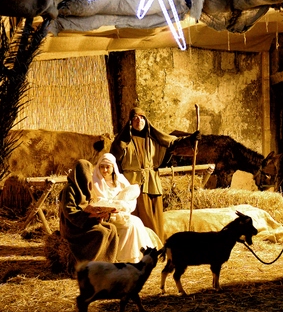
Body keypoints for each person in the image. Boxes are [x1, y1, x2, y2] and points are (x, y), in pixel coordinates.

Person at [110, 107, 200, 242]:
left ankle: (154, 246)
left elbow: (174, 144)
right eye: (135, 118)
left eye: (142, 118)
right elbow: (112, 162)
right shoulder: (121, 143)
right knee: (134, 219)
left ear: (146, 121)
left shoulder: (155, 140)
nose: (138, 121)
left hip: (151, 184)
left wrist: (191, 139)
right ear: (130, 122)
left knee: (153, 219)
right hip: (131, 185)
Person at [92, 152, 163, 262]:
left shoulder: (120, 180)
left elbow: (131, 200)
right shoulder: (95, 182)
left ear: (113, 167)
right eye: (102, 167)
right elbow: (97, 200)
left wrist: (122, 206)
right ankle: (122, 258)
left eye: (107, 167)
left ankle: (139, 256)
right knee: (129, 225)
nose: (105, 170)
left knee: (136, 222)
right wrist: (111, 205)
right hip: (105, 216)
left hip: (121, 213)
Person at [58, 159, 119, 264]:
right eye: (88, 173)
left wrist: (103, 214)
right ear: (82, 173)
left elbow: (93, 205)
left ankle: (107, 263)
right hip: (73, 227)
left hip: (87, 222)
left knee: (112, 228)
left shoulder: (87, 188)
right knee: (101, 233)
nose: (90, 175)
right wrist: (88, 215)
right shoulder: (69, 189)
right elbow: (70, 212)